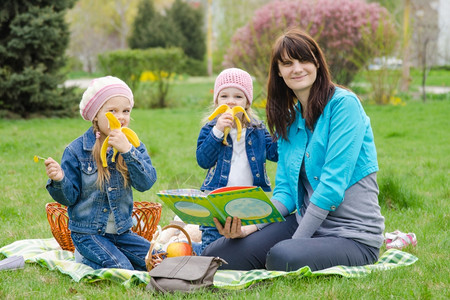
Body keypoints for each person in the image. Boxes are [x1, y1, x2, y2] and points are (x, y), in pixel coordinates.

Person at [202, 28, 385, 272]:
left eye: (304, 60)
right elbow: (286, 192)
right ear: (279, 72)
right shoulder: (289, 119)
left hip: (351, 234)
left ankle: (293, 250)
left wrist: (296, 240)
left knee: (283, 255)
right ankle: (289, 249)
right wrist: (250, 228)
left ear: (318, 63)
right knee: (217, 254)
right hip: (304, 221)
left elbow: (331, 187)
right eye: (287, 63)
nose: (297, 68)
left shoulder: (344, 106)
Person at [45, 76, 157, 270]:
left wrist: (128, 152)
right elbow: (69, 198)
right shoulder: (76, 151)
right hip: (88, 233)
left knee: (158, 259)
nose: (120, 117)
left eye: (126, 111)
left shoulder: (132, 146)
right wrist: (59, 180)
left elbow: (146, 182)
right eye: (112, 111)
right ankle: (86, 257)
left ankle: (107, 255)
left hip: (122, 233)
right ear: (96, 114)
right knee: (122, 268)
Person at [195, 68, 278, 254]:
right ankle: (200, 253)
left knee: (244, 248)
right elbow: (203, 160)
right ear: (216, 101)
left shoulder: (257, 130)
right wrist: (217, 131)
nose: (231, 101)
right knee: (212, 249)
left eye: (238, 97)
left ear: (247, 102)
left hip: (248, 202)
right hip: (217, 200)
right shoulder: (210, 129)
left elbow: (275, 153)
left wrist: (282, 128)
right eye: (224, 96)